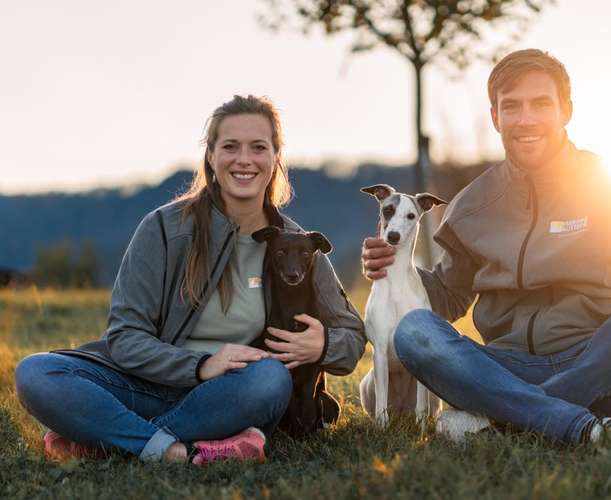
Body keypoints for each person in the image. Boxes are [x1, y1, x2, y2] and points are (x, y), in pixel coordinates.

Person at [361, 49, 611, 444]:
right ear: (496, 117)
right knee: (414, 330)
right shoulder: (471, 206)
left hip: (607, 365)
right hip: (507, 368)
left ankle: (513, 420)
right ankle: (589, 427)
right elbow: (446, 299)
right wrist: (395, 265)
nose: (527, 119)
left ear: (565, 110)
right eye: (512, 106)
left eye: (541, 104)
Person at [15, 95, 365, 463]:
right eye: (230, 146)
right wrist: (199, 365)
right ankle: (179, 449)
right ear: (211, 156)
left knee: (270, 380)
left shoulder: (293, 244)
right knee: (37, 372)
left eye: (258, 147)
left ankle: (112, 438)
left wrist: (323, 346)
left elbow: (353, 335)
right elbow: (124, 336)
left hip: (229, 394)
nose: (244, 159)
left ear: (275, 157)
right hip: (143, 384)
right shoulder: (164, 228)